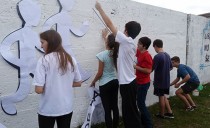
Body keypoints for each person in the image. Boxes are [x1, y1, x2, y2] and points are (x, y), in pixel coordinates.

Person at [95, 1, 142, 128]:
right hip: (128, 84)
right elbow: (111, 47)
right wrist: (105, 37)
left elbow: (110, 24)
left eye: (124, 29)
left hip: (128, 84)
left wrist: (100, 9)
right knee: (128, 113)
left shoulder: (127, 42)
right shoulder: (127, 44)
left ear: (126, 31)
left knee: (130, 114)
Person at [33, 30, 82, 128]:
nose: (41, 46)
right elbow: (78, 82)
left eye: (42, 42)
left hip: (48, 109)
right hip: (66, 108)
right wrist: (64, 84)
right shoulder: (70, 59)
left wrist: (52, 84)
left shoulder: (44, 60)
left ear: (50, 42)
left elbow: (38, 90)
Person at [90, 28, 119, 128]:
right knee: (114, 107)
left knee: (107, 109)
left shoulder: (101, 55)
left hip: (105, 84)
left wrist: (93, 81)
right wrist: (105, 37)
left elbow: (100, 73)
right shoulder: (116, 53)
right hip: (115, 82)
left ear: (107, 42)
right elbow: (109, 47)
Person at [134, 37, 153, 128]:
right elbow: (132, 48)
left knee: (141, 104)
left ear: (144, 46)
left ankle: (149, 124)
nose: (137, 44)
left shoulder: (147, 55)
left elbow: (148, 70)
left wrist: (135, 67)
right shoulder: (140, 52)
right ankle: (143, 122)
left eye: (140, 43)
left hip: (143, 83)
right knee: (139, 103)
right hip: (139, 81)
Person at [152, 39, 174, 119]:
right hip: (166, 81)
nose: (154, 49)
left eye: (154, 47)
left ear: (156, 46)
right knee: (164, 96)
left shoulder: (157, 56)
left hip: (159, 81)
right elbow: (171, 67)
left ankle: (161, 114)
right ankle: (169, 112)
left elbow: (151, 68)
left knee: (161, 97)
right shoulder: (167, 55)